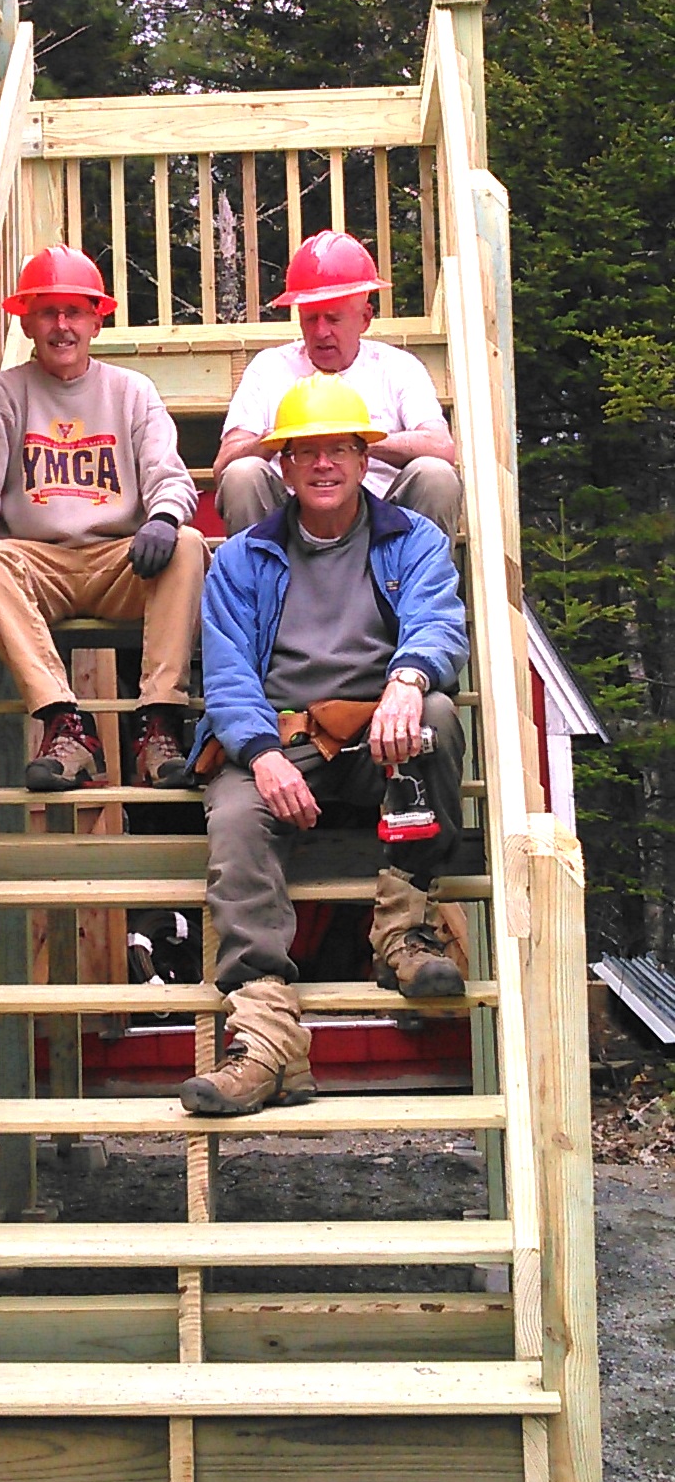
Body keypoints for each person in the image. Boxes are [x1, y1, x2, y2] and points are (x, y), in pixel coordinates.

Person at [181, 372, 471, 1117]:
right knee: (238, 813)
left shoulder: (414, 539)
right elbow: (227, 672)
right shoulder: (242, 557)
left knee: (436, 718)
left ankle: (406, 931)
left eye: (338, 448)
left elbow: (439, 622)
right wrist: (263, 752)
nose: (323, 465)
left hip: (383, 732)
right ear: (281, 467)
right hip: (285, 739)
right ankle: (269, 1040)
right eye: (305, 452)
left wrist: (408, 679)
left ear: (361, 456)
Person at [0, 245, 205, 791]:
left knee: (187, 543)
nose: (62, 326)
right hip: (41, 565)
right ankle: (65, 727)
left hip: (122, 561)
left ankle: (157, 725)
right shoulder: (1, 396)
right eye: (47, 312)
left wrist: (162, 517)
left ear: (96, 318)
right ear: (28, 321)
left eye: (74, 312)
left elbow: (169, 472)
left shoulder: (131, 391)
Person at [213, 230, 460, 537]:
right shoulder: (268, 368)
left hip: (382, 531)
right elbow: (224, 464)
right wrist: (272, 442)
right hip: (290, 530)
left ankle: (420, 581)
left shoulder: (398, 367)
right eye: (310, 318)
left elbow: (441, 447)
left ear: (365, 318)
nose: (320, 332)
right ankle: (258, 580)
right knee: (242, 474)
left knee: (436, 475)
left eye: (333, 319)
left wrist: (352, 440)